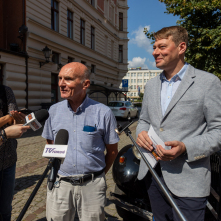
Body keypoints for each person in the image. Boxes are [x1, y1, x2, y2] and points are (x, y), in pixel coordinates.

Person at [136, 26, 221, 221]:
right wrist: (141, 133)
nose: (154, 51)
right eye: (154, 47)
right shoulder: (150, 85)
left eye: (161, 46)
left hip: (189, 179)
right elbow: (144, 120)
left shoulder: (208, 82)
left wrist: (185, 147)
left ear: (181, 47)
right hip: (153, 175)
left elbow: (218, 131)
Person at [42, 62, 119, 221]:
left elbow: (112, 151)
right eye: (60, 78)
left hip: (91, 185)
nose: (61, 84)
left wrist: (97, 178)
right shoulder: (54, 111)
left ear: (85, 84)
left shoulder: (103, 112)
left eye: (68, 79)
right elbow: (50, 143)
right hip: (60, 184)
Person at [0, 85, 28, 221]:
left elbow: (14, 120)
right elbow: (9, 118)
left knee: (5, 208)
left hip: (9, 159)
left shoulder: (6, 91)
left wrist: (18, 120)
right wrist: (7, 118)